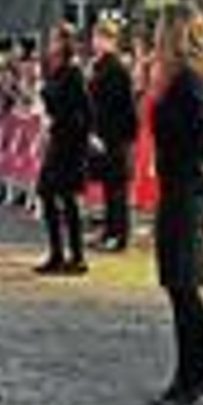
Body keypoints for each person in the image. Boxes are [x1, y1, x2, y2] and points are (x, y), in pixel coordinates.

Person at [148, 2, 203, 405]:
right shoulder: (182, 77)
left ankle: (191, 378)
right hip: (179, 184)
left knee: (183, 284)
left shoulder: (189, 80)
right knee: (181, 284)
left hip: (186, 188)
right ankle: (201, 372)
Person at [34, 22, 93, 275]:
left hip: (69, 144)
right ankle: (57, 252)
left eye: (55, 40)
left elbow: (83, 110)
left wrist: (81, 136)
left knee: (67, 199)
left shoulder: (73, 72)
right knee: (47, 194)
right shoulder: (56, 71)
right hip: (58, 139)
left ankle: (77, 256)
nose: (51, 45)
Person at [87, 17, 139, 251]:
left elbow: (123, 106)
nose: (97, 42)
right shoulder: (99, 66)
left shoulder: (116, 68)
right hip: (103, 134)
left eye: (102, 37)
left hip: (115, 136)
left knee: (117, 189)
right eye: (96, 37)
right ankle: (109, 231)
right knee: (109, 187)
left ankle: (118, 235)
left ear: (112, 40)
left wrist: (115, 136)